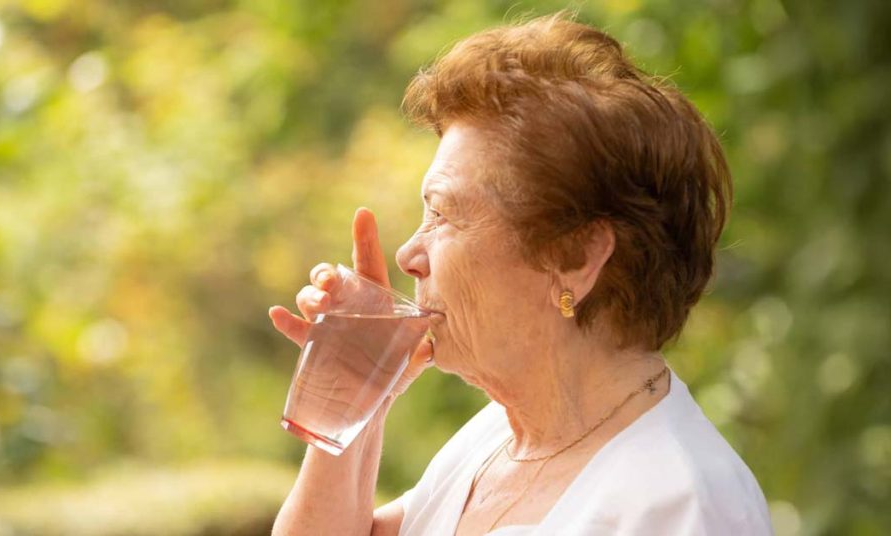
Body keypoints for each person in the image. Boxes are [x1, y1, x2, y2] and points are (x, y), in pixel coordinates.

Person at [268, 11, 772, 536]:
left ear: (575, 257)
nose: (408, 254)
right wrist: (360, 396)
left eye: (442, 214)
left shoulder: (680, 507)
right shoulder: (499, 441)